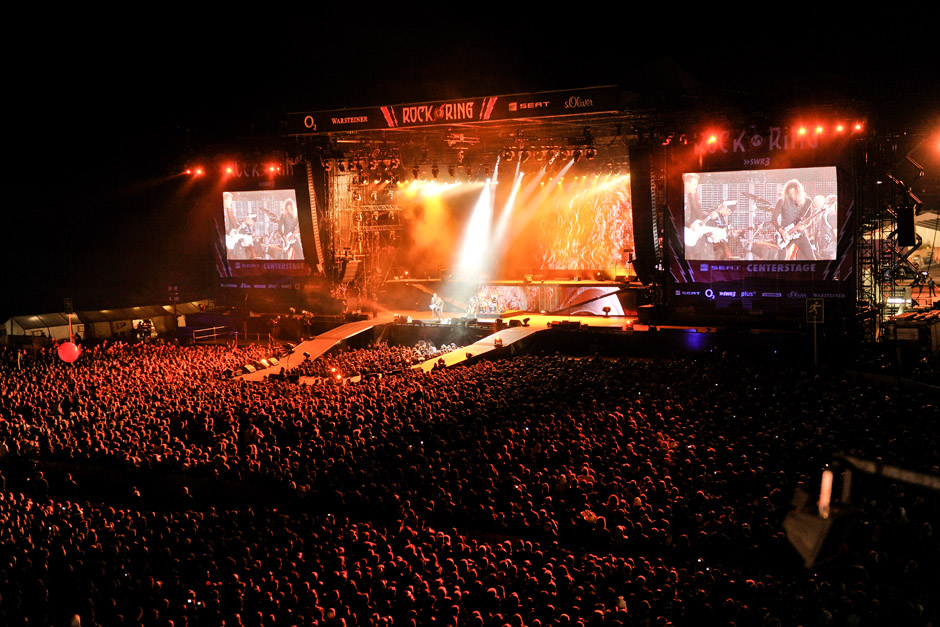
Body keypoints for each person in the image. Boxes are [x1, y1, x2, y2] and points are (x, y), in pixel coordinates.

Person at [773, 179, 816, 260]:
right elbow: (773, 220)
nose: (792, 196)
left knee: (811, 258)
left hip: (800, 234)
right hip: (786, 234)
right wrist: (783, 232)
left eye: (794, 194)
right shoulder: (782, 201)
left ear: (799, 192)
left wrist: (804, 226)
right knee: (781, 260)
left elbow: (808, 219)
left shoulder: (807, 201)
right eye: (790, 194)